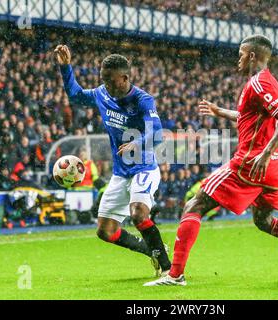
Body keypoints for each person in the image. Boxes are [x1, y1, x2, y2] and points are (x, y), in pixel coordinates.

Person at [145, 35, 278, 286]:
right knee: (264, 221)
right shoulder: (266, 83)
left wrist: (265, 153)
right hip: (274, 167)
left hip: (251, 162)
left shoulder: (259, 83)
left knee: (194, 204)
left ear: (253, 56)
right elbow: (248, 116)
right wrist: (219, 111)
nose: (238, 60)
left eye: (241, 54)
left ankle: (175, 275)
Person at [55, 45, 171, 276]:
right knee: (105, 231)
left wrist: (137, 143)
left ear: (125, 77)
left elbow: (157, 132)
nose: (106, 84)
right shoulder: (102, 94)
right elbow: (76, 95)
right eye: (103, 79)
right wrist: (66, 67)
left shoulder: (142, 100)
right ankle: (154, 250)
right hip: (121, 174)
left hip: (144, 168)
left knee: (138, 213)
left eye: (110, 79)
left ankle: (170, 271)